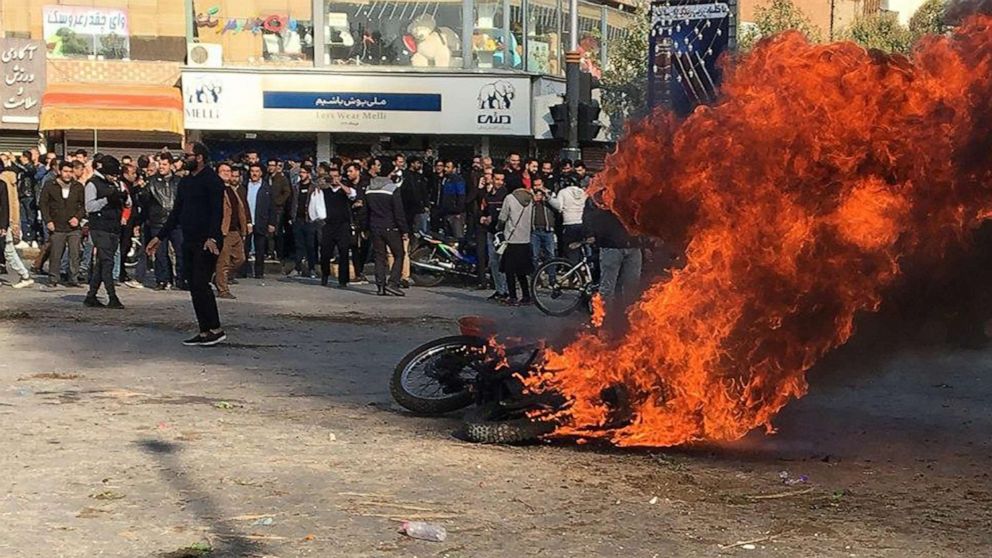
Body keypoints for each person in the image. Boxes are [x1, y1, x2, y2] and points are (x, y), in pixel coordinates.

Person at [146, 142, 226, 347]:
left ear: (199, 158)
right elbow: (176, 213)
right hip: (189, 239)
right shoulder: (186, 182)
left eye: (187, 155)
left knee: (201, 283)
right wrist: (159, 237)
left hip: (207, 241)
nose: (183, 158)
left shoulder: (212, 180)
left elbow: (218, 212)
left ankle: (215, 328)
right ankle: (204, 330)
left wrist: (213, 237)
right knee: (193, 284)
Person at [83, 156, 128, 308]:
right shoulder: (92, 184)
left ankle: (91, 296)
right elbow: (89, 207)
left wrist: (124, 198)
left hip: (113, 227)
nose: (115, 177)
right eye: (113, 174)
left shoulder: (116, 184)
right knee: (107, 262)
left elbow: (127, 203)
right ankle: (112, 296)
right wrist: (107, 200)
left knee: (102, 263)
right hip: (99, 228)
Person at [584, 194, 642, 311]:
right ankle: (604, 320)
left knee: (632, 287)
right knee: (607, 287)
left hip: (633, 247)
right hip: (611, 247)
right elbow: (589, 216)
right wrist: (591, 234)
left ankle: (630, 320)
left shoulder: (635, 191)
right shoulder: (599, 194)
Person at [39, 161, 85, 287]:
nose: (68, 174)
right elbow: (43, 204)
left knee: (75, 253)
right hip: (56, 224)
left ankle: (73, 278)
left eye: (70, 172)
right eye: (65, 171)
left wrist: (77, 217)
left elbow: (83, 205)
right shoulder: (50, 185)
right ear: (59, 171)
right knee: (56, 253)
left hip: (73, 226)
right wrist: (48, 221)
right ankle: (53, 278)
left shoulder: (78, 186)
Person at [142, 155, 183, 290]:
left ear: (171, 165)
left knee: (181, 251)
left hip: (176, 222)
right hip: (158, 222)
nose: (161, 167)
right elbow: (145, 202)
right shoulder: (151, 181)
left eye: (164, 164)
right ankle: (162, 280)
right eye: (160, 164)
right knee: (160, 253)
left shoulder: (179, 181)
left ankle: (182, 279)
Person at [365, 175, 408, 296]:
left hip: (375, 226)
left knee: (379, 256)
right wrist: (404, 229)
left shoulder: (369, 189)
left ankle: (380, 286)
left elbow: (366, 211)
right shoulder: (392, 189)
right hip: (390, 226)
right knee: (399, 254)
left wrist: (364, 227)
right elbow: (398, 211)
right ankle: (393, 283)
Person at [214, 161, 249, 299]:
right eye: (223, 171)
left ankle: (218, 277)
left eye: (228, 171)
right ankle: (223, 289)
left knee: (240, 258)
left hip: (235, 231)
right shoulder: (216, 189)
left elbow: (241, 210)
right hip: (224, 230)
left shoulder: (233, 190)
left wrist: (244, 228)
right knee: (223, 262)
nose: (226, 174)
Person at [498, 182, 534, 305]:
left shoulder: (509, 198)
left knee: (510, 271)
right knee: (522, 271)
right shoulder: (530, 199)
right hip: (525, 239)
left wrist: (499, 228)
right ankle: (526, 296)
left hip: (512, 239)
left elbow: (503, 217)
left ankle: (512, 296)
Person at [320, 166, 357, 287]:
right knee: (325, 252)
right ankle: (325, 275)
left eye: (336, 176)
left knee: (344, 252)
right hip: (328, 225)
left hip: (343, 225)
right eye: (331, 177)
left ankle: (343, 280)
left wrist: (340, 184)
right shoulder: (324, 192)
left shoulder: (345, 191)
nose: (334, 179)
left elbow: (352, 194)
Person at [0, 166, 34, 288]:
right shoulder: (6, 183)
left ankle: (25, 275)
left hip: (2, 224)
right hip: (5, 223)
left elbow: (5, 206)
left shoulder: (2, 184)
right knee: (8, 251)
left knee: (9, 250)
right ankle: (24, 275)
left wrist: (4, 225)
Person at [245, 162, 277, 279]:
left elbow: (272, 207)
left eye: (257, 171)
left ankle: (259, 272)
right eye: (252, 171)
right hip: (247, 222)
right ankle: (243, 271)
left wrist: (272, 223)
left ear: (261, 173)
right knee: (245, 248)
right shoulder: (245, 186)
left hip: (261, 221)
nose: (254, 174)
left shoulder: (266, 188)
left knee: (260, 249)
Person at [481, 169, 509, 302]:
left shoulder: (506, 196)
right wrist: (483, 218)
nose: (499, 182)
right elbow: (484, 211)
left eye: (501, 180)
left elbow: (506, 214)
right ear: (492, 179)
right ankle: (499, 290)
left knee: (503, 262)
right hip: (491, 233)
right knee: (493, 263)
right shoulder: (488, 196)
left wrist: (493, 218)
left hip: (503, 234)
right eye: (497, 179)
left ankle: (507, 291)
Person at [549, 173, 588, 262]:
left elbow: (559, 206)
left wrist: (549, 199)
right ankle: (582, 267)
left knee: (570, 249)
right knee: (580, 247)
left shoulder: (563, 192)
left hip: (569, 223)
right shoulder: (583, 192)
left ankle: (573, 270)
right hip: (581, 222)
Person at [291, 165, 319, 278]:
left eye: (303, 172)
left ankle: (312, 268)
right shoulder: (296, 187)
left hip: (310, 220)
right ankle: (297, 268)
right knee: (299, 245)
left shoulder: (314, 187)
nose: (301, 175)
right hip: (298, 219)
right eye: (300, 172)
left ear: (308, 174)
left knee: (310, 245)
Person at [344, 162, 370, 283]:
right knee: (354, 245)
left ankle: (362, 268)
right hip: (352, 219)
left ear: (358, 171)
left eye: (351, 171)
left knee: (365, 246)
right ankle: (358, 272)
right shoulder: (346, 185)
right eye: (347, 171)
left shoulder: (366, 183)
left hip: (366, 219)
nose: (348, 174)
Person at [530, 178, 557, 278]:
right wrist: (532, 200)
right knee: (534, 256)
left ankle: (552, 279)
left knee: (551, 256)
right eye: (535, 185)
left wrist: (547, 197)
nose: (537, 187)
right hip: (535, 231)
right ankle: (535, 279)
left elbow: (557, 207)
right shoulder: (530, 196)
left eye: (539, 185)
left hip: (548, 230)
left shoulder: (550, 194)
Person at [266, 159, 293, 261]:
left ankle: (279, 254)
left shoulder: (282, 179)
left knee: (276, 231)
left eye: (273, 165)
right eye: (269, 165)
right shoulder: (266, 178)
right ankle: (270, 252)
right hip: (267, 207)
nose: (271, 167)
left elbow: (287, 192)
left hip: (278, 208)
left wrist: (279, 202)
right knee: (268, 232)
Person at [439, 160, 466, 238]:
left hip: (455, 214)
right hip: (446, 212)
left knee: (458, 236)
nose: (445, 169)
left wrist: (458, 211)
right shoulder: (445, 179)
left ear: (454, 169)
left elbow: (461, 196)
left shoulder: (458, 180)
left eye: (448, 167)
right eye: (445, 167)